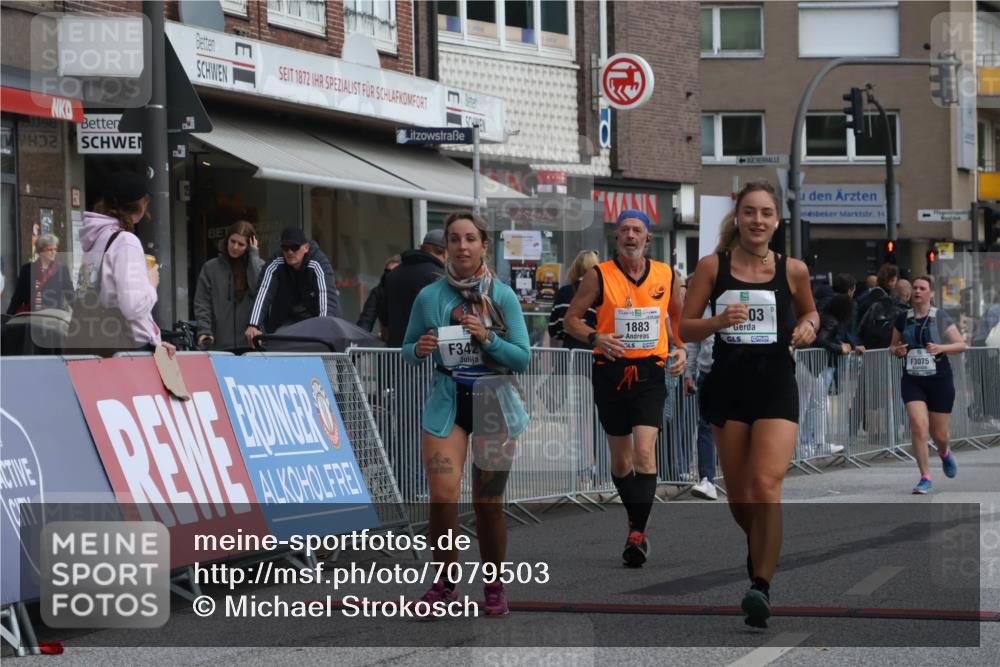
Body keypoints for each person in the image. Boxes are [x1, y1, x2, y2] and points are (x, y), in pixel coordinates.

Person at [679, 180, 818, 628]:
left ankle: (760, 585)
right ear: (737, 217)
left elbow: (811, 311)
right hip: (729, 386)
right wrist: (718, 320)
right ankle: (762, 544)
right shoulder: (711, 266)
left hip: (775, 384)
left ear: (777, 222)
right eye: (750, 212)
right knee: (740, 500)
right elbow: (685, 328)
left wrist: (809, 327)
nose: (758, 220)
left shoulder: (792, 269)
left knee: (764, 486)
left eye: (766, 213)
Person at [402, 211, 530, 617]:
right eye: (454, 239)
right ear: (446, 249)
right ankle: (444, 581)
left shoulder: (504, 296)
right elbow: (406, 350)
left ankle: (494, 584)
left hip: (494, 404)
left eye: (470, 239)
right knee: (442, 498)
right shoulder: (430, 297)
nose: (462, 247)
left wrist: (488, 337)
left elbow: (523, 358)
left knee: (488, 501)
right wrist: (419, 349)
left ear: (483, 246)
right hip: (448, 403)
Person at [564, 209, 687, 568]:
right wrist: (596, 337)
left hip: (651, 372)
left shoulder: (666, 275)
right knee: (621, 461)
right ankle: (636, 523)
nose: (630, 236)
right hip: (611, 372)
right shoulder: (598, 274)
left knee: (645, 454)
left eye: (637, 230)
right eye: (624, 231)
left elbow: (676, 316)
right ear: (616, 238)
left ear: (648, 238)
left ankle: (637, 533)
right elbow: (572, 320)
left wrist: (680, 347)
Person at [71, 171, 175, 357]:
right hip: (126, 347)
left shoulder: (96, 238)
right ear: (142, 205)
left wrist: (156, 341)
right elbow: (132, 307)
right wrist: (151, 285)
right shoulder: (126, 241)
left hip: (96, 340)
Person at [889, 275, 967, 494]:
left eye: (922, 288)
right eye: (915, 288)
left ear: (931, 294)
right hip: (913, 379)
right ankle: (925, 477)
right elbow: (892, 347)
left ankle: (944, 452)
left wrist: (941, 348)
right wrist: (898, 351)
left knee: (939, 434)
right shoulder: (903, 318)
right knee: (918, 424)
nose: (917, 291)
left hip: (939, 380)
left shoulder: (940, 317)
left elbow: (961, 345)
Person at [245, 227, 340, 346]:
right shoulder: (276, 261)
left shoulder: (318, 262)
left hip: (315, 318)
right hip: (287, 319)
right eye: (285, 247)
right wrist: (253, 324)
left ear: (306, 248)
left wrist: (324, 329)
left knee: (321, 344)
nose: (289, 252)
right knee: (278, 345)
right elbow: (263, 291)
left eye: (295, 247)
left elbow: (326, 295)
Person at [193, 221, 265, 350]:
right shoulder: (211, 268)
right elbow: (202, 303)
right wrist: (204, 330)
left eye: (241, 244)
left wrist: (254, 255)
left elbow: (259, 292)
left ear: (249, 245)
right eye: (233, 241)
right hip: (219, 343)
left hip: (250, 343)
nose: (235, 247)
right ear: (227, 240)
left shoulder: (259, 266)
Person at [383, 229, 448, 348]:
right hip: (425, 351)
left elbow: (383, 314)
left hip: (394, 353)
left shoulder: (393, 274)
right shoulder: (438, 276)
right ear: (444, 252)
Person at [684, 297, 718, 501]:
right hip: (707, 373)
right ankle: (707, 480)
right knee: (705, 426)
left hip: (738, 373)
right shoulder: (701, 308)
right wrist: (689, 373)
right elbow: (694, 344)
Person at [6, 233, 74, 314]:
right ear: (40, 250)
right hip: (31, 318)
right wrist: (8, 318)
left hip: (53, 319)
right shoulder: (27, 270)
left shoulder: (62, 271)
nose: (53, 252)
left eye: (55, 249)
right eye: (50, 249)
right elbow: (18, 297)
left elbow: (71, 296)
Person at [547, 250, 599, 350]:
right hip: (591, 351)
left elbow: (553, 328)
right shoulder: (598, 294)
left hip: (567, 350)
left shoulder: (563, 291)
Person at [357, 254, 401, 340]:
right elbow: (366, 320)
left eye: (395, 272)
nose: (390, 275)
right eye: (388, 271)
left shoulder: (408, 290)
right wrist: (358, 343)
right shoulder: (378, 292)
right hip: (387, 343)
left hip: (409, 344)